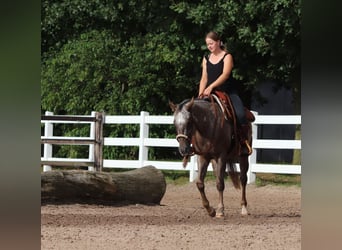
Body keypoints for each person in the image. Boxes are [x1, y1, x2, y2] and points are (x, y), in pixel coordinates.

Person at [198, 31, 251, 155]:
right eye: (207, 44)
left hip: (227, 91)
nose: (209, 46)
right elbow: (204, 78)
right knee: (195, 112)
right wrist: (200, 94)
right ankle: (194, 144)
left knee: (240, 114)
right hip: (209, 92)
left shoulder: (227, 56)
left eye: (211, 43)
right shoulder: (206, 58)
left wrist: (211, 86)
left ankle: (243, 143)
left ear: (218, 42)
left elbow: (225, 75)